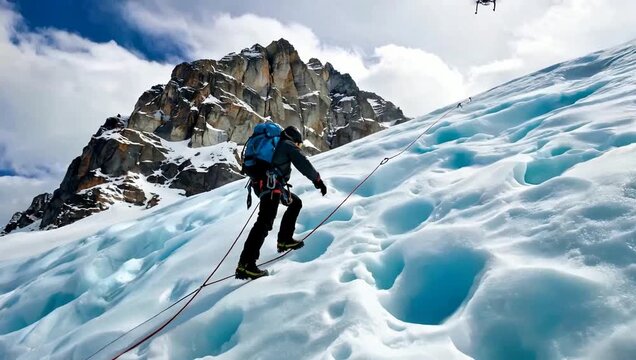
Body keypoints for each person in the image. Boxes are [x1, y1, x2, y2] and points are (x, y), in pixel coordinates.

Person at [236, 125, 328, 280]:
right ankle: (246, 265)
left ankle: (284, 240)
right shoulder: (286, 144)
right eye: (299, 144)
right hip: (270, 185)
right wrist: (317, 180)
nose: (298, 147)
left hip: (265, 184)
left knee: (295, 203)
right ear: (295, 139)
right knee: (264, 222)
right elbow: (303, 163)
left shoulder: (274, 144)